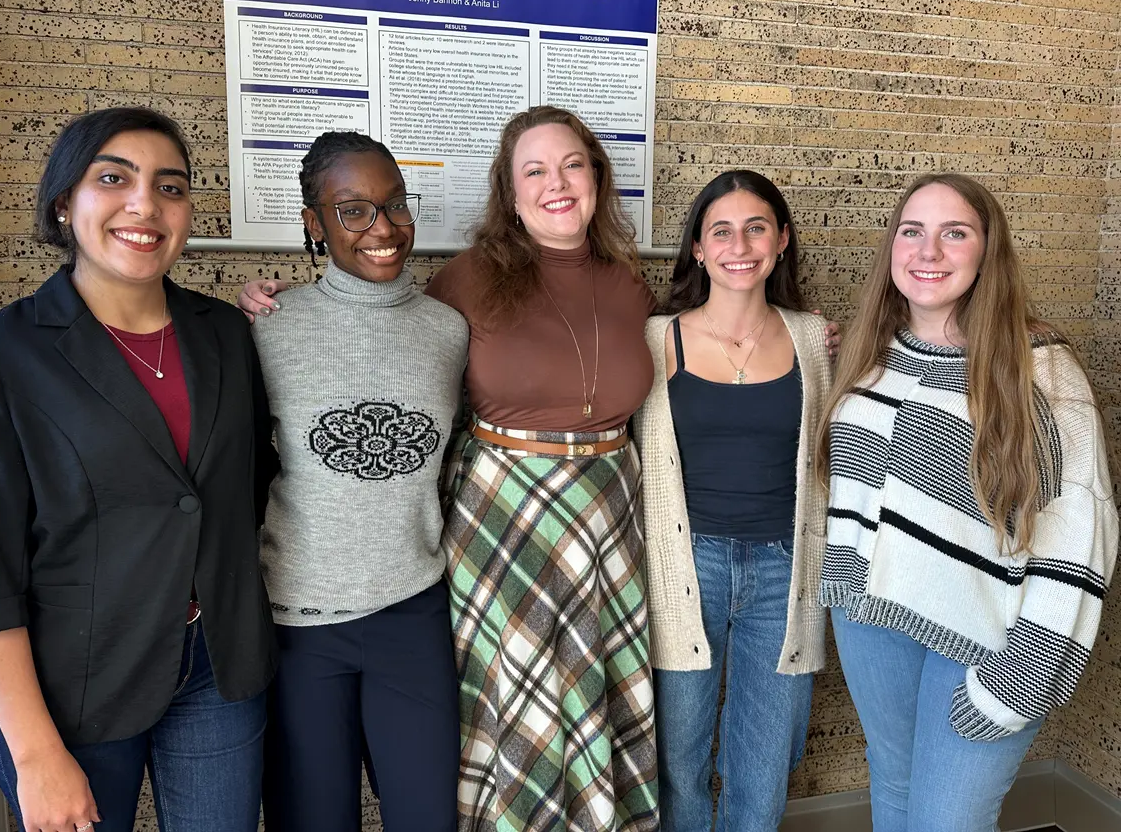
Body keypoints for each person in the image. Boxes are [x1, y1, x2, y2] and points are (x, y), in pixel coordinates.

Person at [0, 107, 278, 832]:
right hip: (73, 687)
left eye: (170, 187)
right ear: (65, 202)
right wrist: (34, 754)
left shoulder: (225, 337)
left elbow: (248, 493)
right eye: (113, 178)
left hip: (220, 669)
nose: (145, 205)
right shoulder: (0, 353)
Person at [814, 173, 1118, 832]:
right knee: (892, 791)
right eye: (912, 232)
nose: (929, 252)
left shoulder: (1038, 364)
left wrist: (1025, 671)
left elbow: (1083, 528)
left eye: (955, 233)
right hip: (872, 623)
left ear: (988, 252)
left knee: (944, 822)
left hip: (984, 640)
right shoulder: (874, 351)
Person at [421, 105, 660, 831]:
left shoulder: (631, 285)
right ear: (510, 189)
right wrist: (267, 302)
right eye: (535, 170)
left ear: (596, 177)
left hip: (608, 521)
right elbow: (384, 333)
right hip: (503, 526)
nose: (556, 184)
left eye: (571, 165)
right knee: (517, 719)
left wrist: (812, 332)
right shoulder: (461, 281)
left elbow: (719, 333)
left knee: (594, 701)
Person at [243, 131, 468, 831]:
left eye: (395, 205)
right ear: (314, 224)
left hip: (414, 614)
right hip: (300, 626)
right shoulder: (265, 329)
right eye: (354, 211)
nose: (383, 228)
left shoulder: (450, 331)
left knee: (429, 816)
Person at [633, 170, 832, 831]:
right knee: (678, 759)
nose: (739, 245)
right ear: (696, 247)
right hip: (686, 568)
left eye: (756, 228)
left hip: (785, 571)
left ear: (780, 241)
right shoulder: (656, 339)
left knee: (764, 760)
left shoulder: (813, 340)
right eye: (721, 230)